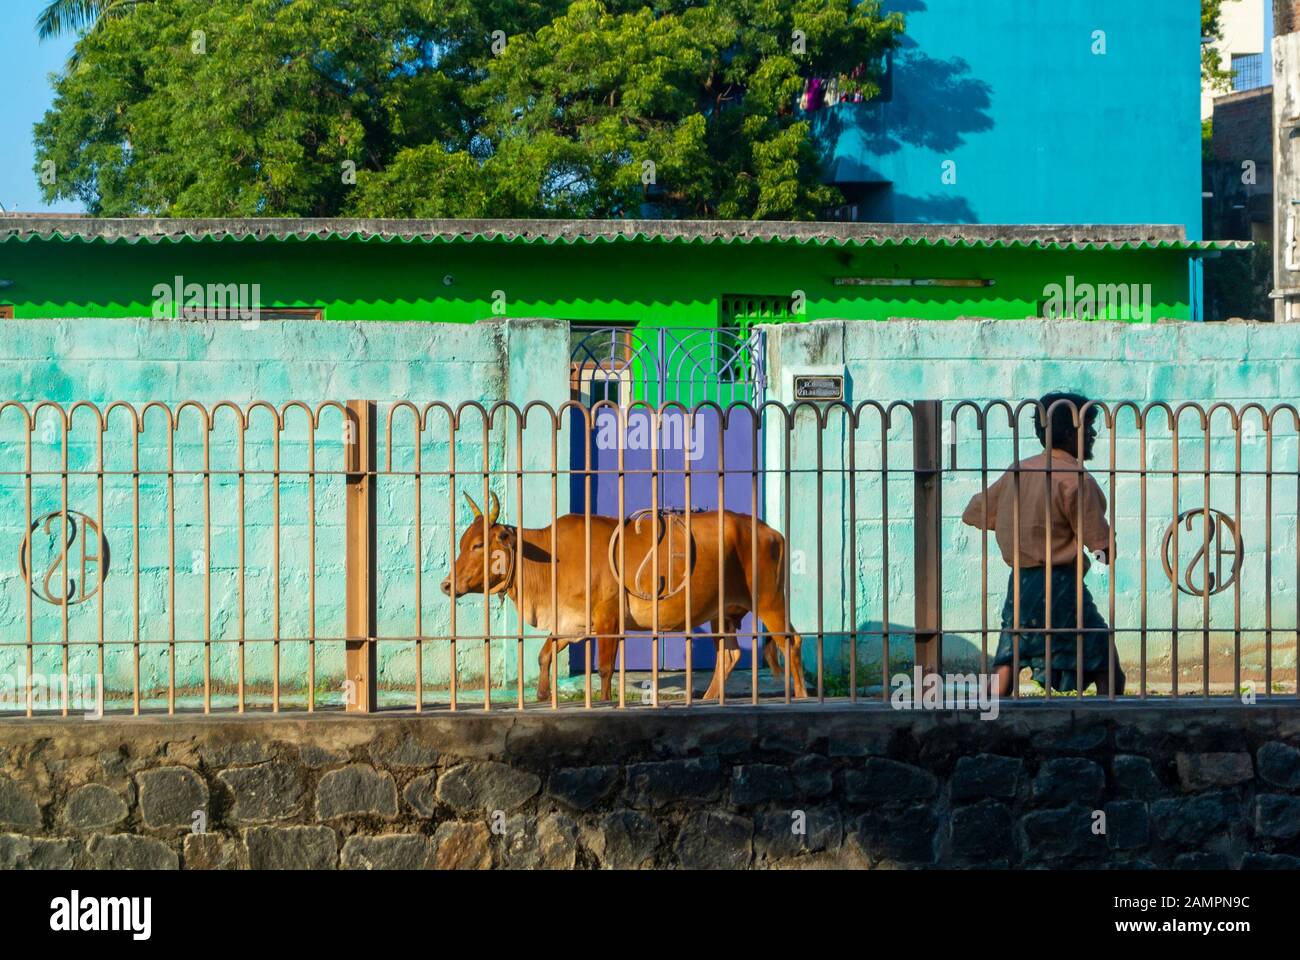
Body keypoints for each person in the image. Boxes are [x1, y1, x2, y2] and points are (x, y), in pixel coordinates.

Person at [961, 391, 1124, 697]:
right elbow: (1099, 544)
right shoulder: (1076, 477)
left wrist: (1016, 522)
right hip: (1061, 583)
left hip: (1021, 583)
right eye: (1087, 427)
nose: (1092, 435)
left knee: (1010, 654)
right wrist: (1105, 551)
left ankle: (990, 718)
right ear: (1068, 431)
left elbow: (975, 511)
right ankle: (1109, 714)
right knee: (1101, 651)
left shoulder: (1018, 471)